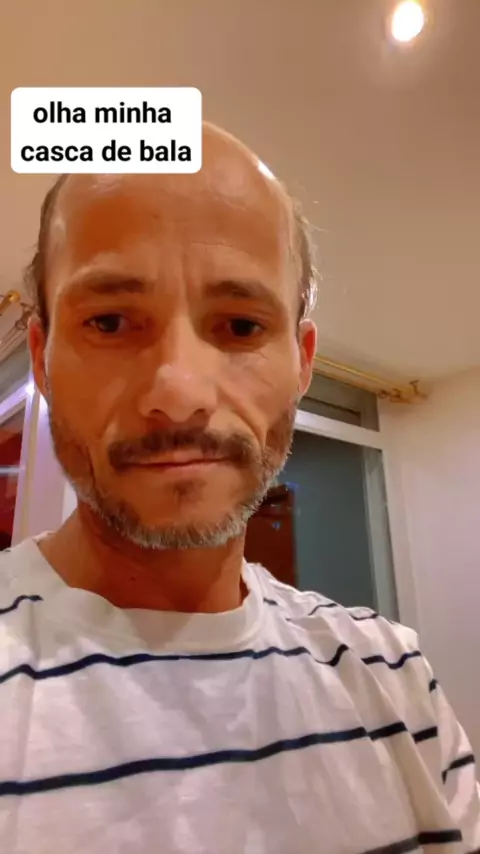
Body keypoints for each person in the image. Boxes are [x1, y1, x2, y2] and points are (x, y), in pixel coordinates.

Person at [0, 123, 478, 854]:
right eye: (110, 322)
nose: (179, 393)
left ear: (302, 361)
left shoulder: (394, 677)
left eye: (241, 326)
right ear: (41, 357)